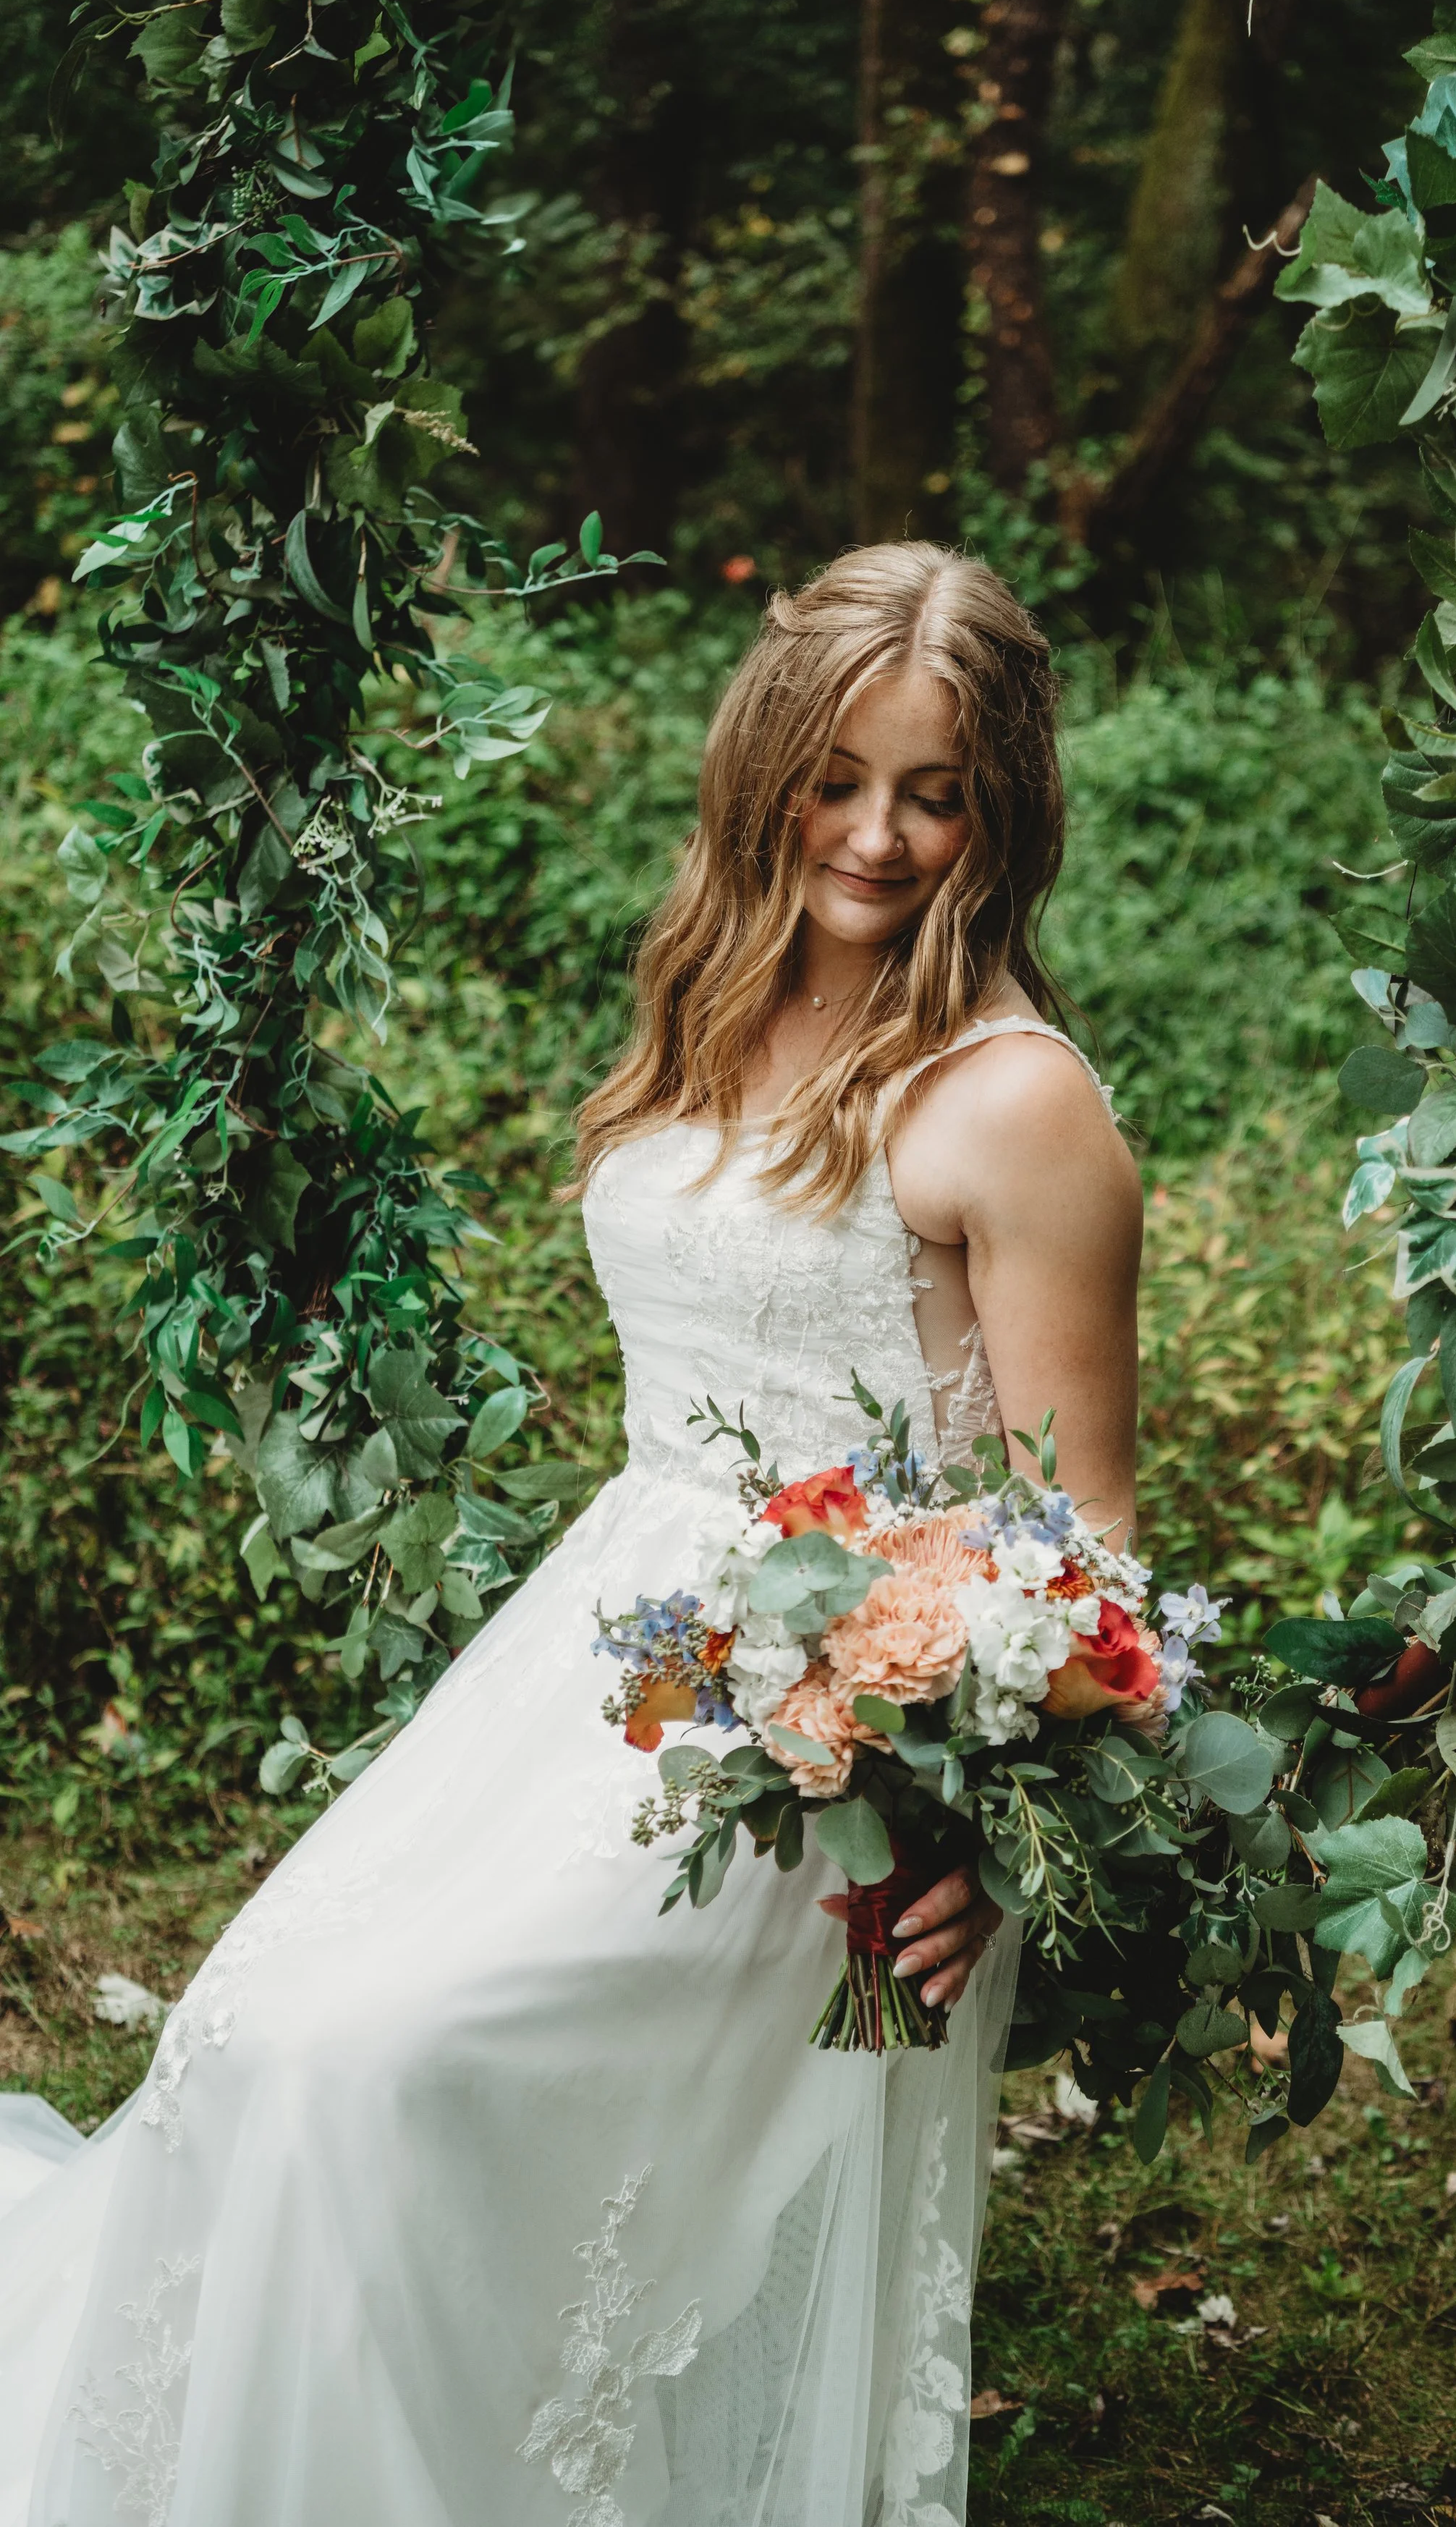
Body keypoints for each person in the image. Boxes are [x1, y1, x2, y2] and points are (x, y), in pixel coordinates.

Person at [0, 541, 1142, 2527]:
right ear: (762, 768)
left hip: (827, 1760)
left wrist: (973, 1822)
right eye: (835, 778)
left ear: (1002, 810)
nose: (875, 836)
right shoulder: (717, 994)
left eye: (934, 791)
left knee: (376, 2063)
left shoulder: (1014, 1104)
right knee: (255, 2035)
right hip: (610, 1650)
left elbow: (1087, 1538)